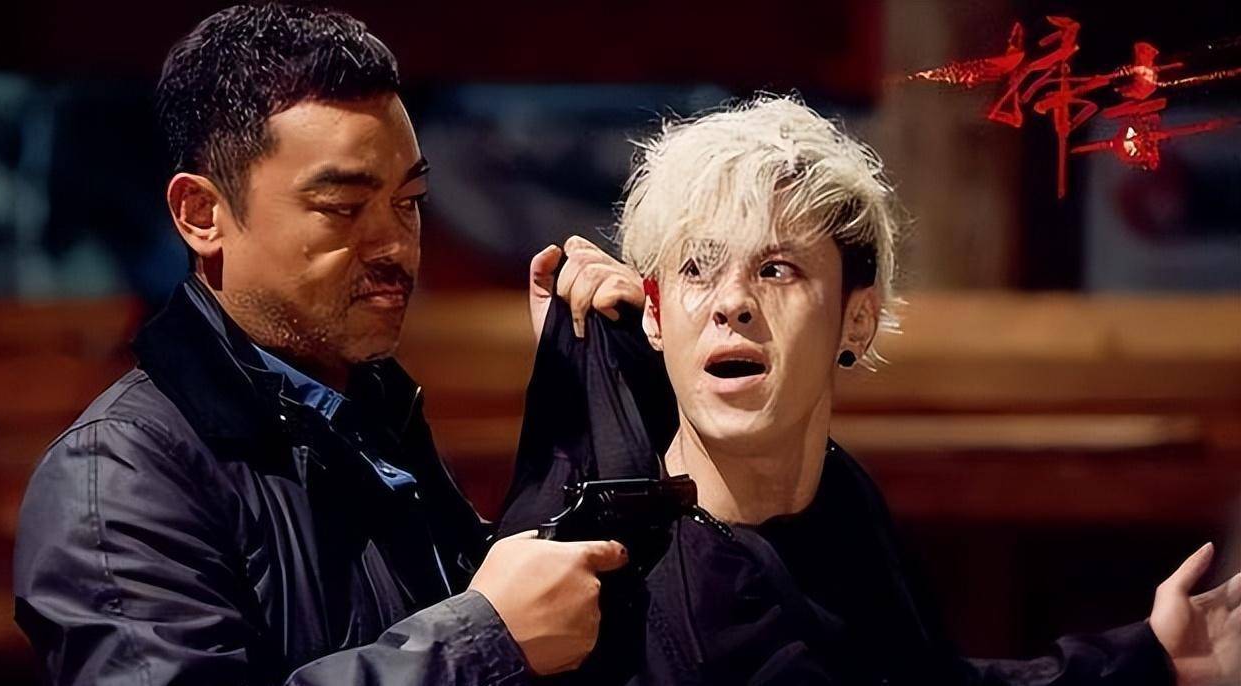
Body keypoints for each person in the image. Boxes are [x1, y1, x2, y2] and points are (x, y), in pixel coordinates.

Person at [500, 95, 1241, 685]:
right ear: (657, 317)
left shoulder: (840, 504)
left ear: (856, 319)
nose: (731, 303)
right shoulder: (598, 575)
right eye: (697, 268)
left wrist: (1151, 658)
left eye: (776, 269)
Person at [12, 5, 642, 684]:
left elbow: (519, 619)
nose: (395, 245)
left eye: (409, 200)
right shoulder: (117, 474)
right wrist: (482, 642)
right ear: (201, 214)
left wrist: (578, 383)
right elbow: (491, 631)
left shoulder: (365, 409)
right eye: (343, 207)